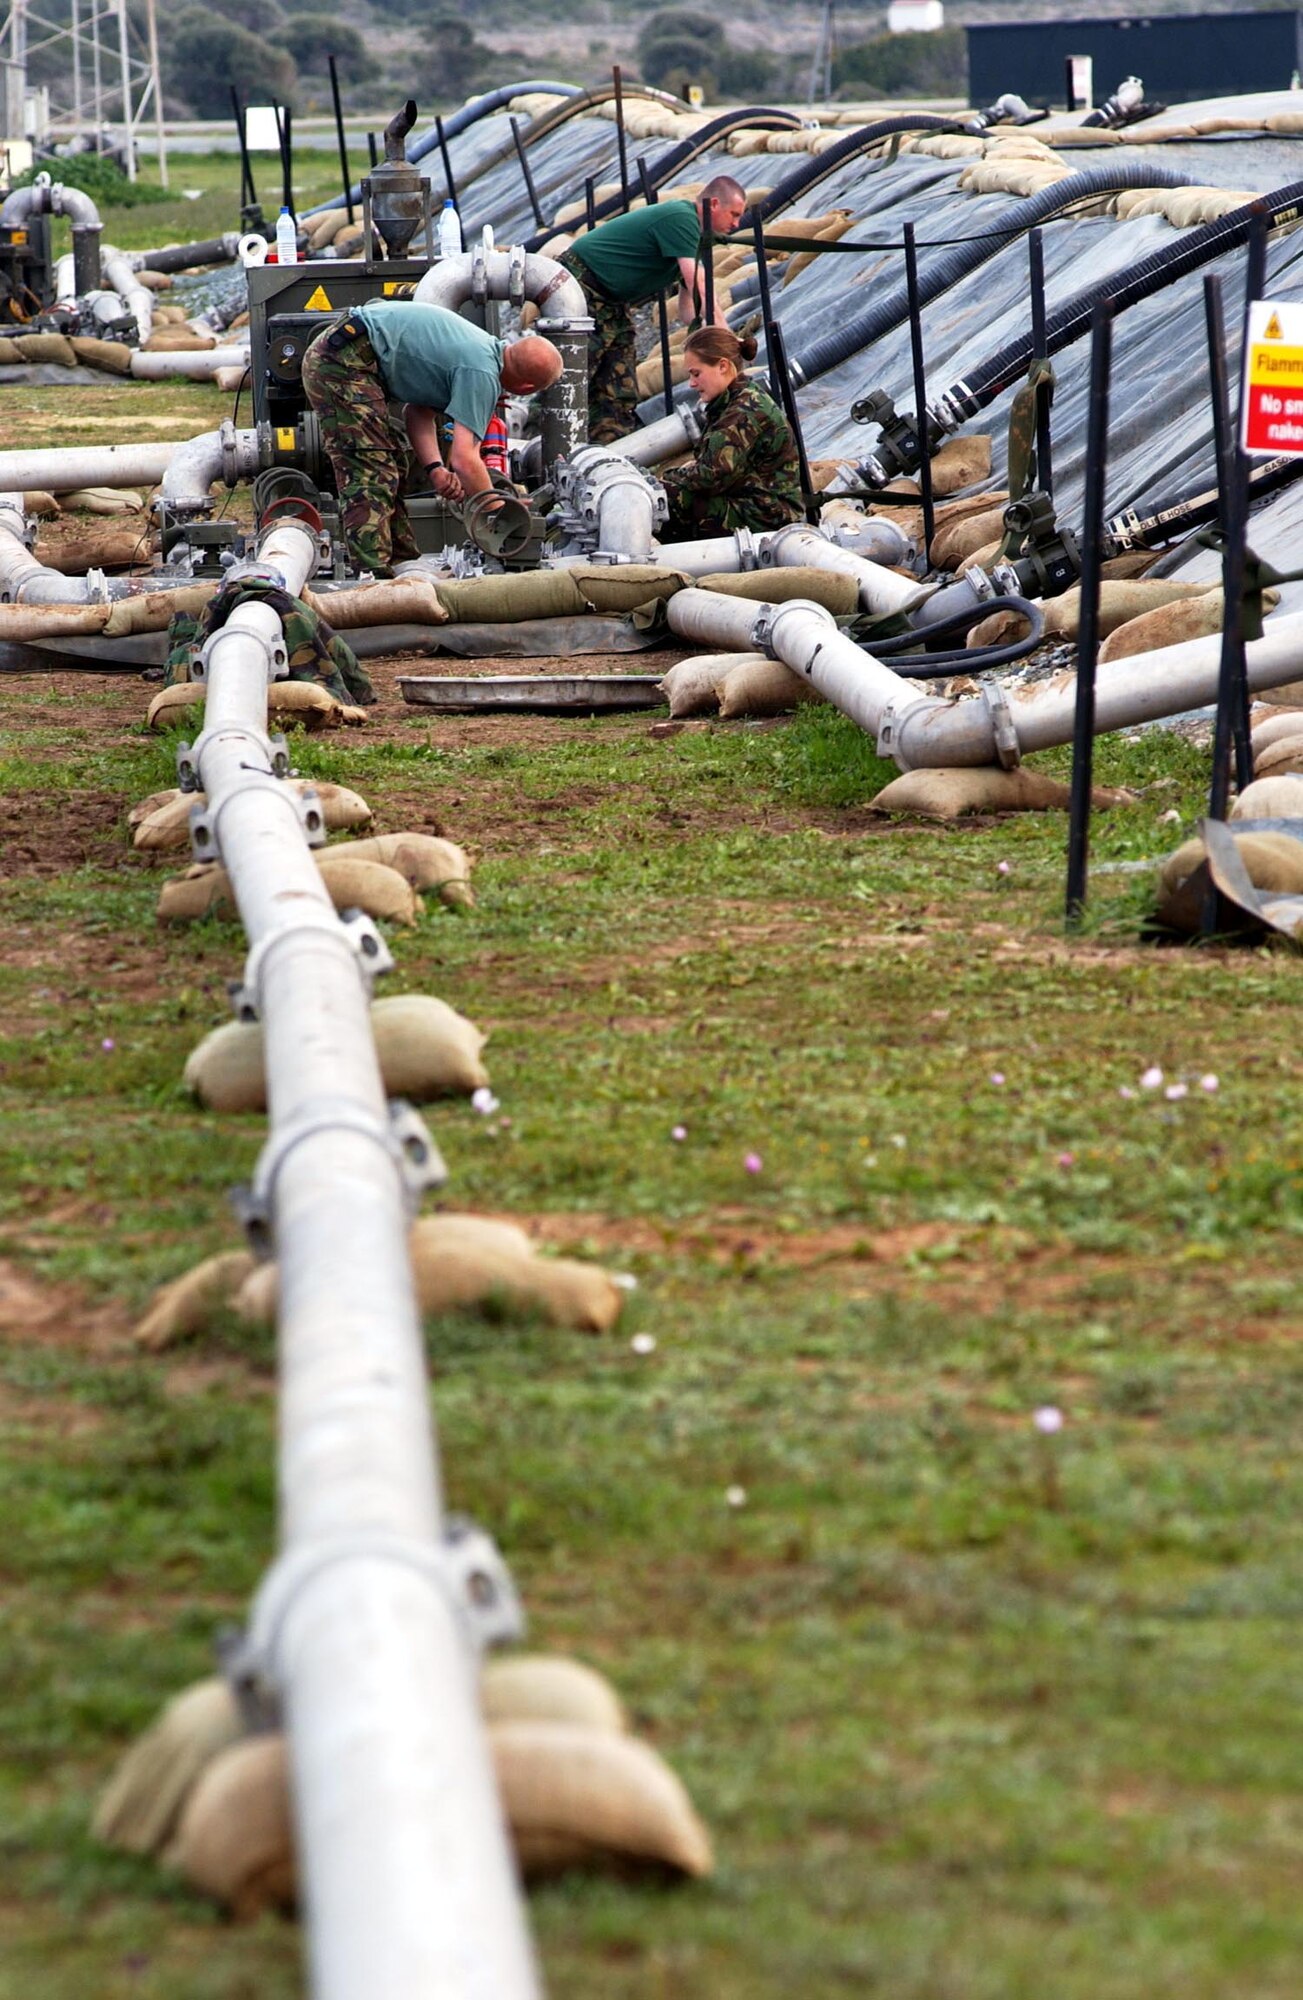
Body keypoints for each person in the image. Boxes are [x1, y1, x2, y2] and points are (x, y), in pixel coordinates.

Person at [301, 299, 562, 574]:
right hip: (342, 361)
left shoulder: (484, 352)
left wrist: (436, 470)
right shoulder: (482, 371)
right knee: (372, 470)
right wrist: (499, 509)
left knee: (394, 464)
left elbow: (418, 412)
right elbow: (464, 459)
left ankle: (403, 565)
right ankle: (372, 577)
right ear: (527, 387)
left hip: (349, 352)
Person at [561, 174, 748, 445]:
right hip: (582, 287)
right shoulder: (682, 219)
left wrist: (704, 337)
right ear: (714, 204)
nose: (736, 224)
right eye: (734, 214)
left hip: (611, 300)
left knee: (618, 383)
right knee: (573, 373)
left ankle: (611, 449)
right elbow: (700, 286)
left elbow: (688, 309)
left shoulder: (693, 237)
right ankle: (544, 442)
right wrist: (729, 344)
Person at [660, 326, 804, 539]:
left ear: (723, 366)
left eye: (696, 374)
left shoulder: (744, 411)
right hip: (755, 504)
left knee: (662, 499)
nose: (691, 383)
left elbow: (710, 475)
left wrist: (666, 479)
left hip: (766, 516)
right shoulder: (734, 401)